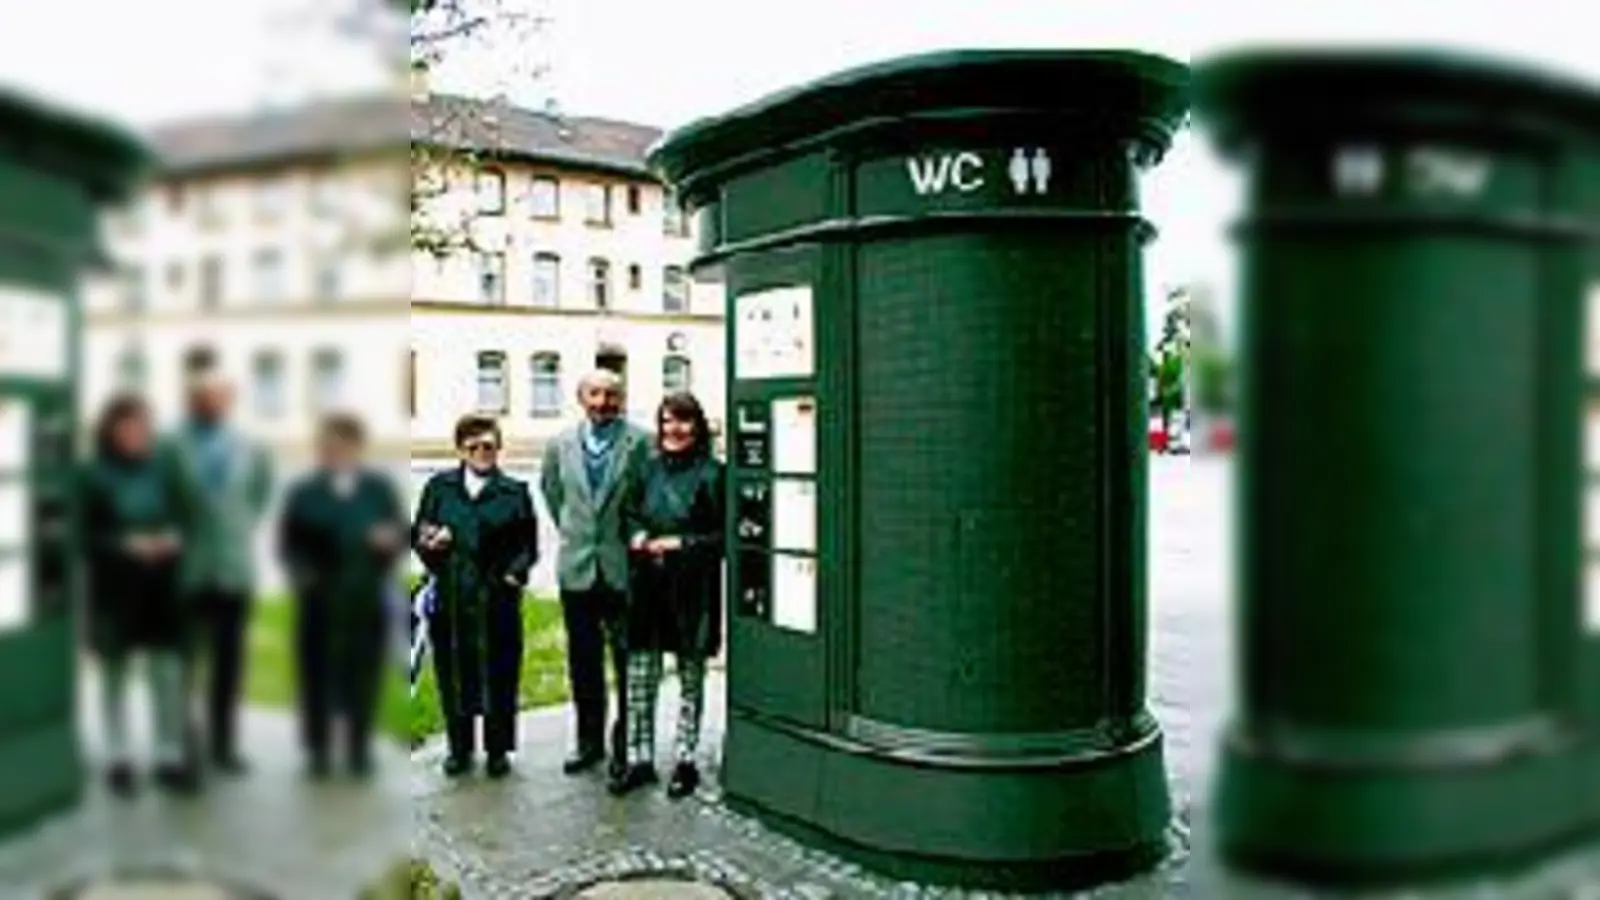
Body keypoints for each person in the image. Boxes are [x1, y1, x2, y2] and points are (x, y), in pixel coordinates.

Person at [277, 413, 407, 778]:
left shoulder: (377, 489)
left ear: (356, 448)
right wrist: (303, 574)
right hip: (319, 599)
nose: (333, 452)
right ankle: (318, 749)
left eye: (341, 445)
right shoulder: (305, 492)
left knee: (362, 673)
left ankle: (358, 747)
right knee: (316, 674)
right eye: (326, 446)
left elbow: (399, 532)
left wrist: (388, 541)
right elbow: (288, 545)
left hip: (365, 598)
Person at [81, 394, 198, 797]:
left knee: (166, 672)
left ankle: (169, 755)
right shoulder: (92, 474)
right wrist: (123, 546)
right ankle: (117, 756)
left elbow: (188, 514)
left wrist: (173, 538)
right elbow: (82, 534)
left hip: (162, 586)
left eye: (143, 427)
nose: (137, 435)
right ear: (111, 431)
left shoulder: (165, 467)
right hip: (115, 590)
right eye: (127, 427)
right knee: (114, 674)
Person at [163, 348, 273, 775]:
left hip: (234, 570)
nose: (212, 401)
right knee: (183, 665)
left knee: (229, 665)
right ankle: (182, 746)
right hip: (189, 571)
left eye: (219, 394)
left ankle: (223, 745)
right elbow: (164, 499)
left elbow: (261, 494)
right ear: (192, 400)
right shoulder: (171, 446)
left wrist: (237, 529)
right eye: (203, 395)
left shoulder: (248, 447)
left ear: (229, 400)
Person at [611, 392, 725, 798]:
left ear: (696, 425)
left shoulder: (714, 474)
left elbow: (722, 538)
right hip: (648, 585)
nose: (674, 430)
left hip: (692, 590)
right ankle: (639, 758)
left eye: (682, 421)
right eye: (666, 422)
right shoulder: (645, 469)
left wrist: (682, 544)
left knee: (690, 678)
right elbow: (627, 513)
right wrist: (637, 534)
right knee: (640, 678)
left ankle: (685, 758)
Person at [412, 414, 539, 778]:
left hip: (496, 596)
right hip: (452, 594)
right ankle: (459, 747)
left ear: (499, 447)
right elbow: (420, 532)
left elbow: (528, 546)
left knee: (499, 672)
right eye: (473, 447)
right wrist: (432, 543)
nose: (482, 453)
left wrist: (515, 575)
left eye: (488, 446)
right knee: (454, 671)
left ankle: (498, 749)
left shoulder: (514, 492)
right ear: (460, 451)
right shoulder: (440, 488)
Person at [539, 369, 652, 778]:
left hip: (623, 569)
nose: (603, 401)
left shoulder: (641, 443)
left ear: (621, 399)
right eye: (595, 393)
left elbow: (648, 498)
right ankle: (589, 742)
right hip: (578, 570)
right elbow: (553, 495)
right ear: (580, 396)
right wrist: (578, 536)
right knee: (583, 663)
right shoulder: (560, 444)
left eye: (611, 394)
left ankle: (627, 745)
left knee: (628, 664)